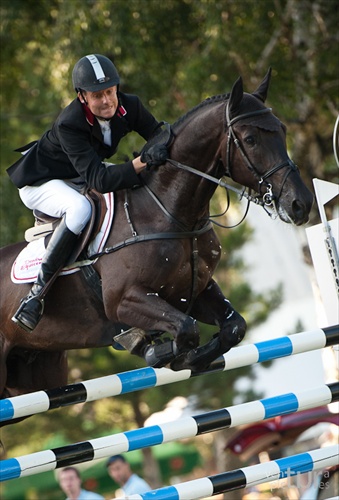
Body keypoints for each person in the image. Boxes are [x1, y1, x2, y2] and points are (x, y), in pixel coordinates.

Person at [7, 53, 168, 333]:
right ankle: (36, 295)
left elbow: (159, 133)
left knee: (133, 187)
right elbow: (100, 180)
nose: (106, 101)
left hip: (81, 172)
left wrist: (156, 148)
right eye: (97, 96)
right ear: (82, 97)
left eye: (110, 91)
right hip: (42, 182)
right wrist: (143, 161)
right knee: (80, 209)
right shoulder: (70, 122)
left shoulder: (131, 106)